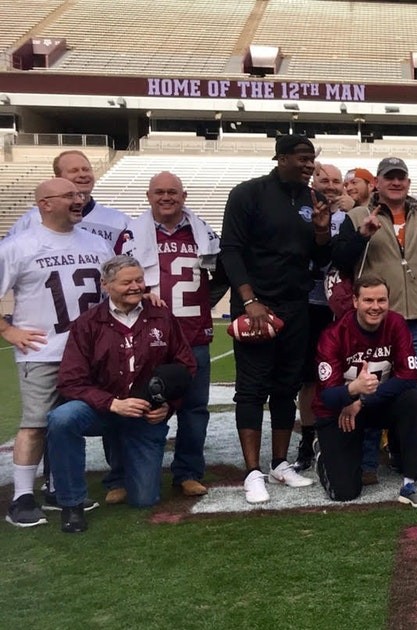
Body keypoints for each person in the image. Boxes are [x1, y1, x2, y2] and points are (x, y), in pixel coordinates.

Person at [220, 134, 331, 503]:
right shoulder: (247, 194)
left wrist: (320, 230)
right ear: (280, 157)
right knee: (252, 388)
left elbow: (319, 254)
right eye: (301, 157)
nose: (308, 165)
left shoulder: (310, 199)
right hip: (257, 304)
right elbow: (231, 251)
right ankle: (252, 471)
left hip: (296, 304)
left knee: (286, 385)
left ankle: (279, 463)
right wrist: (248, 298)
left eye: (311, 158)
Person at [46, 256, 195, 532]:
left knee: (144, 499)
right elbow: (70, 381)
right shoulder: (87, 324)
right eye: (127, 282)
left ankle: (124, 469)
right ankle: (72, 504)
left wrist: (169, 406)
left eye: (139, 280)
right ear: (106, 285)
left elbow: (186, 366)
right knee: (62, 419)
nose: (136, 286)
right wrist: (112, 404)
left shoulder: (162, 316)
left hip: (144, 413)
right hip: (101, 410)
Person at [1, 178, 110, 527]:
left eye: (80, 195)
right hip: (43, 350)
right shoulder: (19, 245)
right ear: (45, 204)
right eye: (69, 196)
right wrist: (8, 330)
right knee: (34, 425)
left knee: (66, 425)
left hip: (89, 354)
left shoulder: (97, 244)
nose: (78, 200)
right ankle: (21, 496)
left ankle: (60, 488)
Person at [128, 172, 224, 496]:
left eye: (172, 192)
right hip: (146, 338)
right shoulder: (131, 234)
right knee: (141, 404)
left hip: (193, 334)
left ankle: (187, 472)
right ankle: (132, 473)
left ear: (184, 195)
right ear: (148, 195)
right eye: (159, 192)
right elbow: (116, 278)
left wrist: (203, 303)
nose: (166, 197)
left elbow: (222, 272)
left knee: (194, 409)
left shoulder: (202, 231)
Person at [311, 277, 417, 506]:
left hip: (372, 403)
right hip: (340, 411)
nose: (375, 306)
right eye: (368, 300)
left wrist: (363, 399)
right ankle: (323, 453)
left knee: (414, 398)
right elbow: (327, 395)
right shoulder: (333, 334)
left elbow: (409, 376)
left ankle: (410, 482)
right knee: (345, 492)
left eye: (381, 300)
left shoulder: (396, 323)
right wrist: (352, 390)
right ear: (355, 302)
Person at [333, 156, 417, 361]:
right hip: (377, 318)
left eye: (401, 178)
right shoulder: (356, 216)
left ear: (408, 183)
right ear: (376, 183)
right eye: (389, 177)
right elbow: (340, 261)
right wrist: (361, 236)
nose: (396, 183)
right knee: (377, 382)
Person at [293, 164, 352, 472]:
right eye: (324, 180)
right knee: (309, 378)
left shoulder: (350, 215)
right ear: (313, 181)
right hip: (309, 303)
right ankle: (308, 437)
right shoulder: (301, 211)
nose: (329, 186)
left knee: (346, 373)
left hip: (343, 307)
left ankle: (342, 434)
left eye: (335, 181)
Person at [6, 150, 133, 254]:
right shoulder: (31, 219)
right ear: (58, 178)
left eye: (86, 169)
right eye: (74, 171)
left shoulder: (120, 221)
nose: (83, 174)